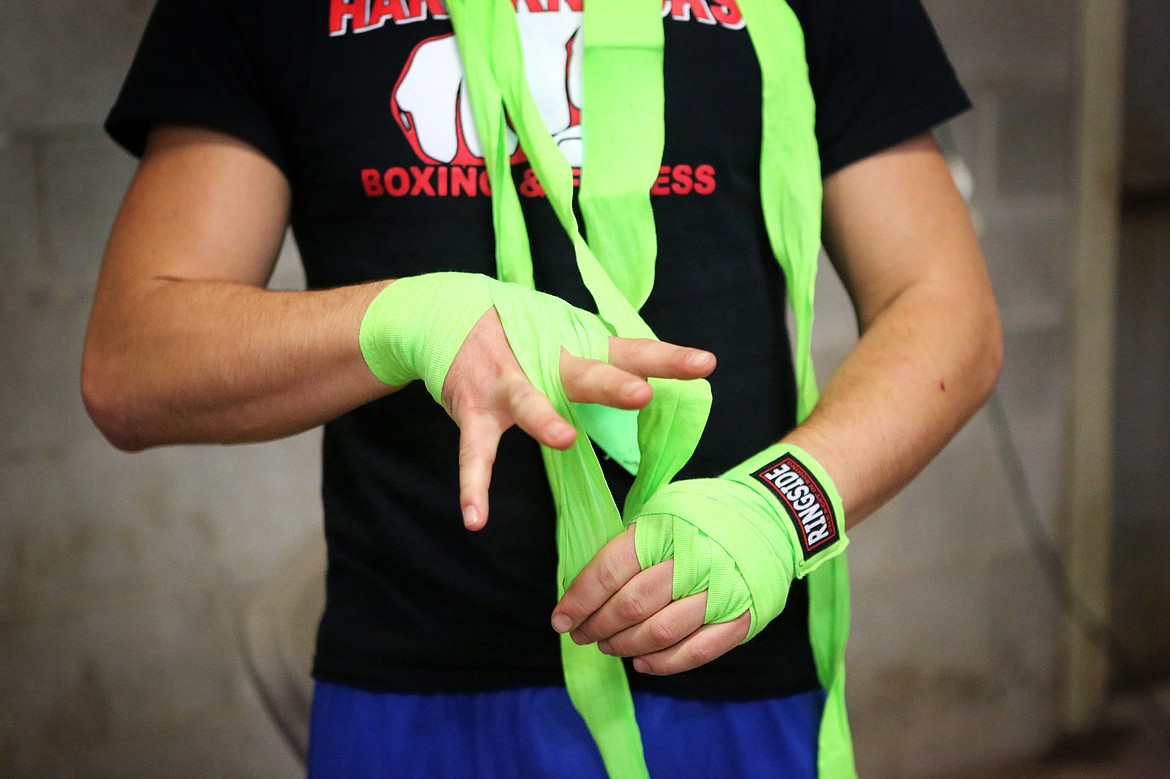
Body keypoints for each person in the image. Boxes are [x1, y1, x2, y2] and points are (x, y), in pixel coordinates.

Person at [81, 0, 1003, 776]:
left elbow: (945, 302)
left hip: (730, 669)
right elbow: (133, 359)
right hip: (419, 699)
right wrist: (417, 320)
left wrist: (783, 510)